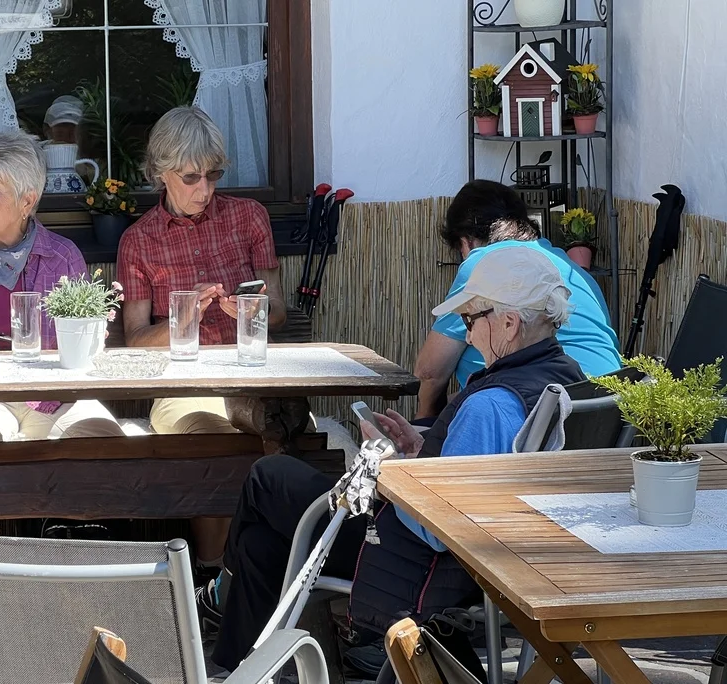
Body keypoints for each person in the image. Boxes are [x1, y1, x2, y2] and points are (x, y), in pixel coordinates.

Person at [200, 247, 586, 679]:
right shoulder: (564, 378)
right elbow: (471, 477)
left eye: (470, 322)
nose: (470, 336)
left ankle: (219, 596)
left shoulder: (491, 405)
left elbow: (438, 530)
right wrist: (418, 448)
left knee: (269, 475)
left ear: (509, 323)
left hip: (415, 561)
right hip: (493, 561)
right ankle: (237, 665)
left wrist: (388, 465)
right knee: (264, 545)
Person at [0, 130, 124, 533]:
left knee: (96, 436)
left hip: (52, 399)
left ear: (27, 200)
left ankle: (71, 567)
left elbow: (88, 352)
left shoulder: (63, 257)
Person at [116, 106, 287, 570]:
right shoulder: (139, 240)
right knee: (215, 445)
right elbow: (133, 338)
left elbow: (280, 312)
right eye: (191, 177)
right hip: (182, 383)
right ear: (160, 174)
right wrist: (183, 317)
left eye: (212, 176)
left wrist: (248, 311)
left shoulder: (249, 217)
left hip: (249, 375)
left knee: (285, 434)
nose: (205, 190)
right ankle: (219, 580)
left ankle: (258, 582)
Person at [414, 179, 620, 419]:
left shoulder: (484, 264)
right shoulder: (573, 270)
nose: (469, 334)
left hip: (538, 414)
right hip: (606, 408)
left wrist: (426, 425)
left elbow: (430, 372)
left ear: (466, 240)